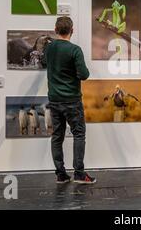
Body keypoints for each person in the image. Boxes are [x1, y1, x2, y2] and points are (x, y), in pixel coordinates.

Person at [44, 16, 96, 185]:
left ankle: (61, 174)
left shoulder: (49, 48)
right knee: (79, 134)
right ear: (72, 31)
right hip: (72, 100)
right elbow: (84, 75)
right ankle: (79, 174)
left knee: (57, 136)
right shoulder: (75, 50)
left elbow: (45, 63)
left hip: (54, 100)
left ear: (55, 30)